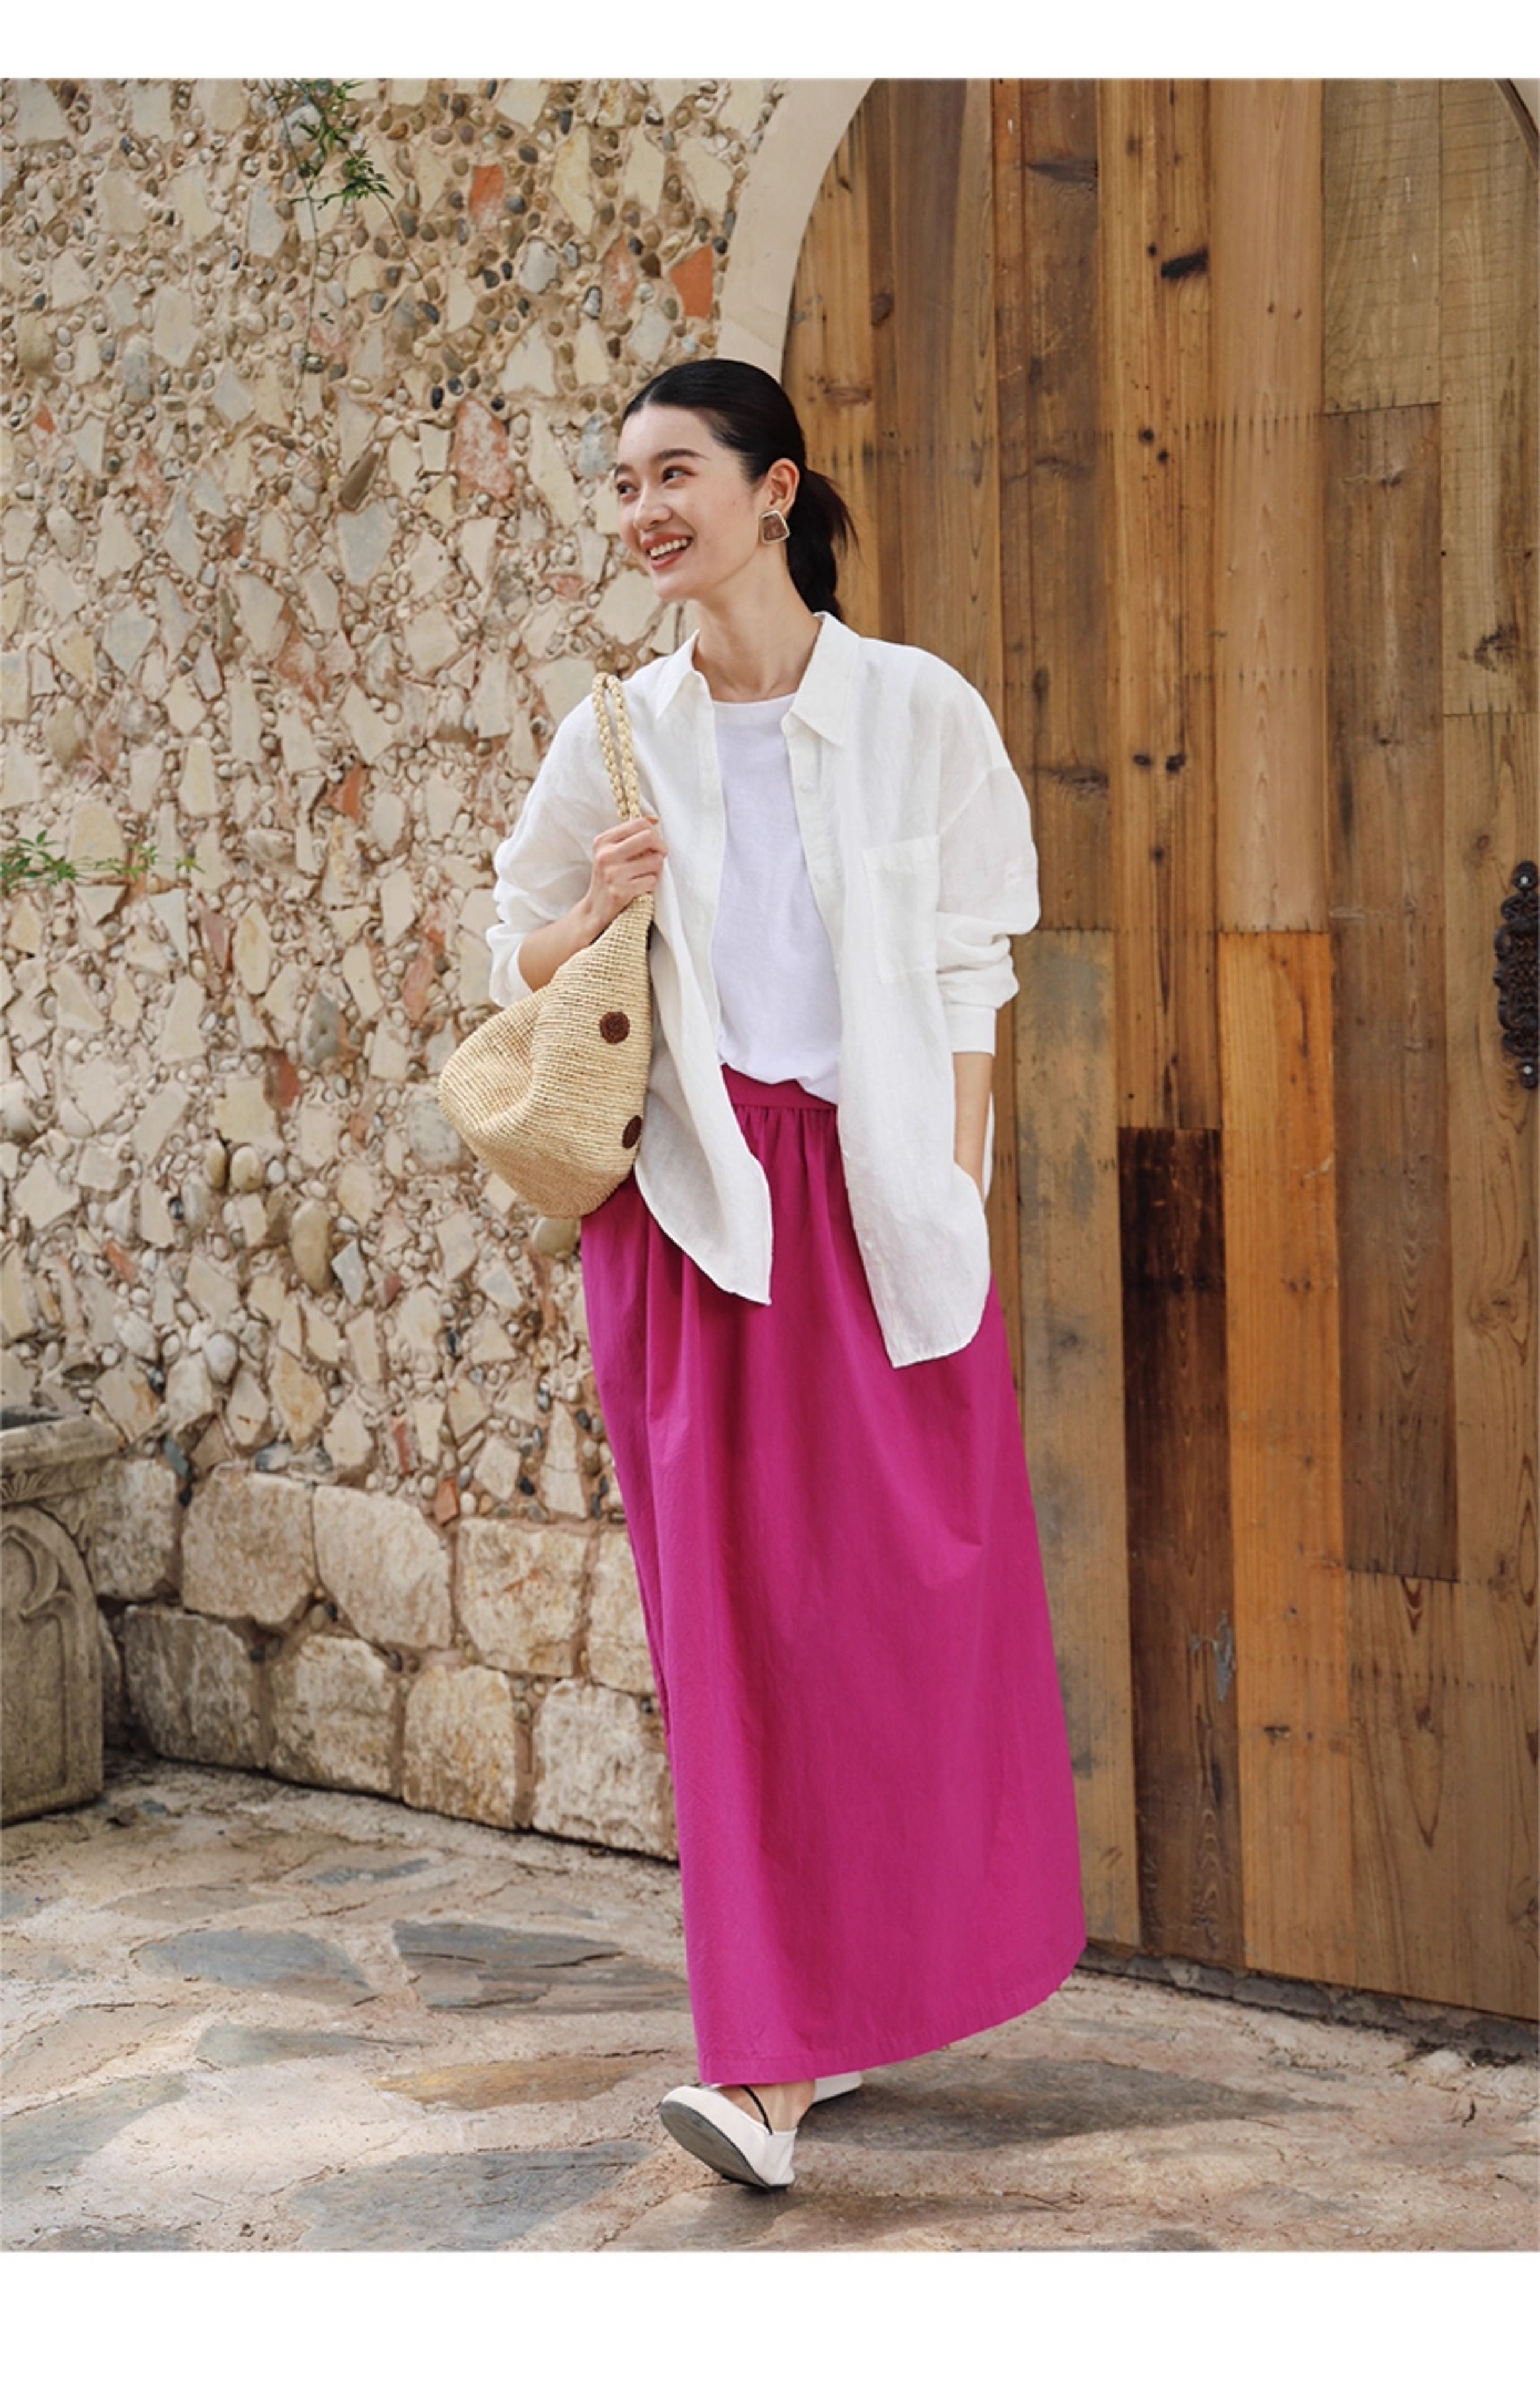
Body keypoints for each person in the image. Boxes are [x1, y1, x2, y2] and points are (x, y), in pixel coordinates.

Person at [484, 358, 1087, 2192]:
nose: (643, 511)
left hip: (881, 1204)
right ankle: (764, 2067)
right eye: (622, 484)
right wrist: (597, 905)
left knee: (901, 1622)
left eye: (675, 473)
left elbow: (977, 969)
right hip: (695, 1215)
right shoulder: (614, 734)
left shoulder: (917, 709)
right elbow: (515, 961)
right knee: (733, 1643)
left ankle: (852, 2002)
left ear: (775, 490)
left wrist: (957, 1196)